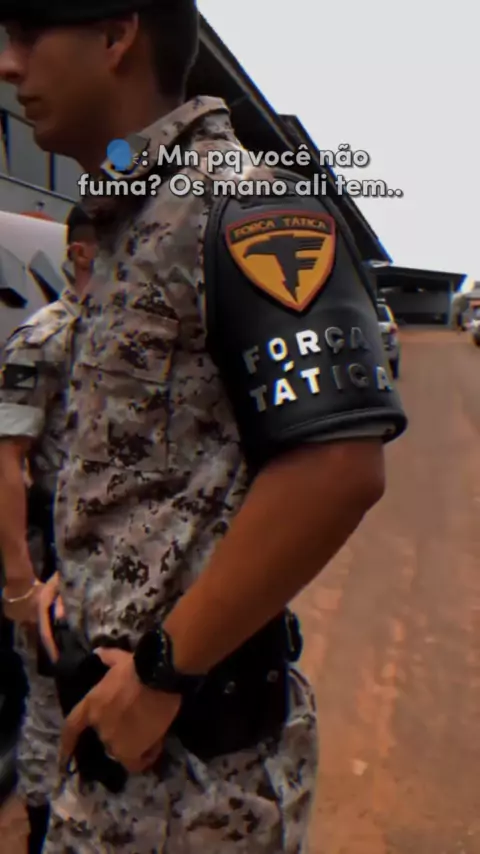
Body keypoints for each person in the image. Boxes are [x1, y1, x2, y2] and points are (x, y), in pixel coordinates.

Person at [0, 2, 407, 852]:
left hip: (194, 790)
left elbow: (336, 466)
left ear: (116, 36)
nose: (8, 64)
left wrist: (161, 670)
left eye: (29, 34)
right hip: (108, 756)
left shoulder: (244, 202)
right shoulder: (128, 221)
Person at [0, 204, 96, 853]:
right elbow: (6, 457)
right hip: (55, 557)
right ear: (83, 253)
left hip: (106, 557)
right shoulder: (46, 336)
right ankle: (39, 830)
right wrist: (20, 581)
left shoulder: (117, 332)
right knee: (47, 712)